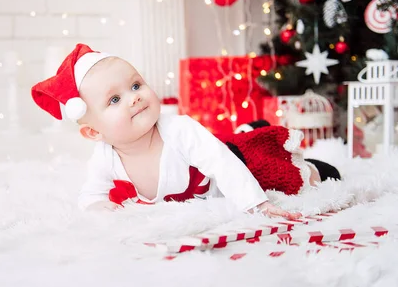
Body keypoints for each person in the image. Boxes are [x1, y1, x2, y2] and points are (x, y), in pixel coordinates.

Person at [31, 44, 341, 219]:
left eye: (136, 85)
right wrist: (101, 209)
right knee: (236, 139)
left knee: (277, 169)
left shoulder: (177, 129)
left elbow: (222, 164)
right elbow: (90, 194)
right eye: (114, 99)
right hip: (212, 160)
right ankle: (247, 128)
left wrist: (258, 205)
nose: (135, 96)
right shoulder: (104, 156)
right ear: (93, 132)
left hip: (230, 164)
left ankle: (312, 165)